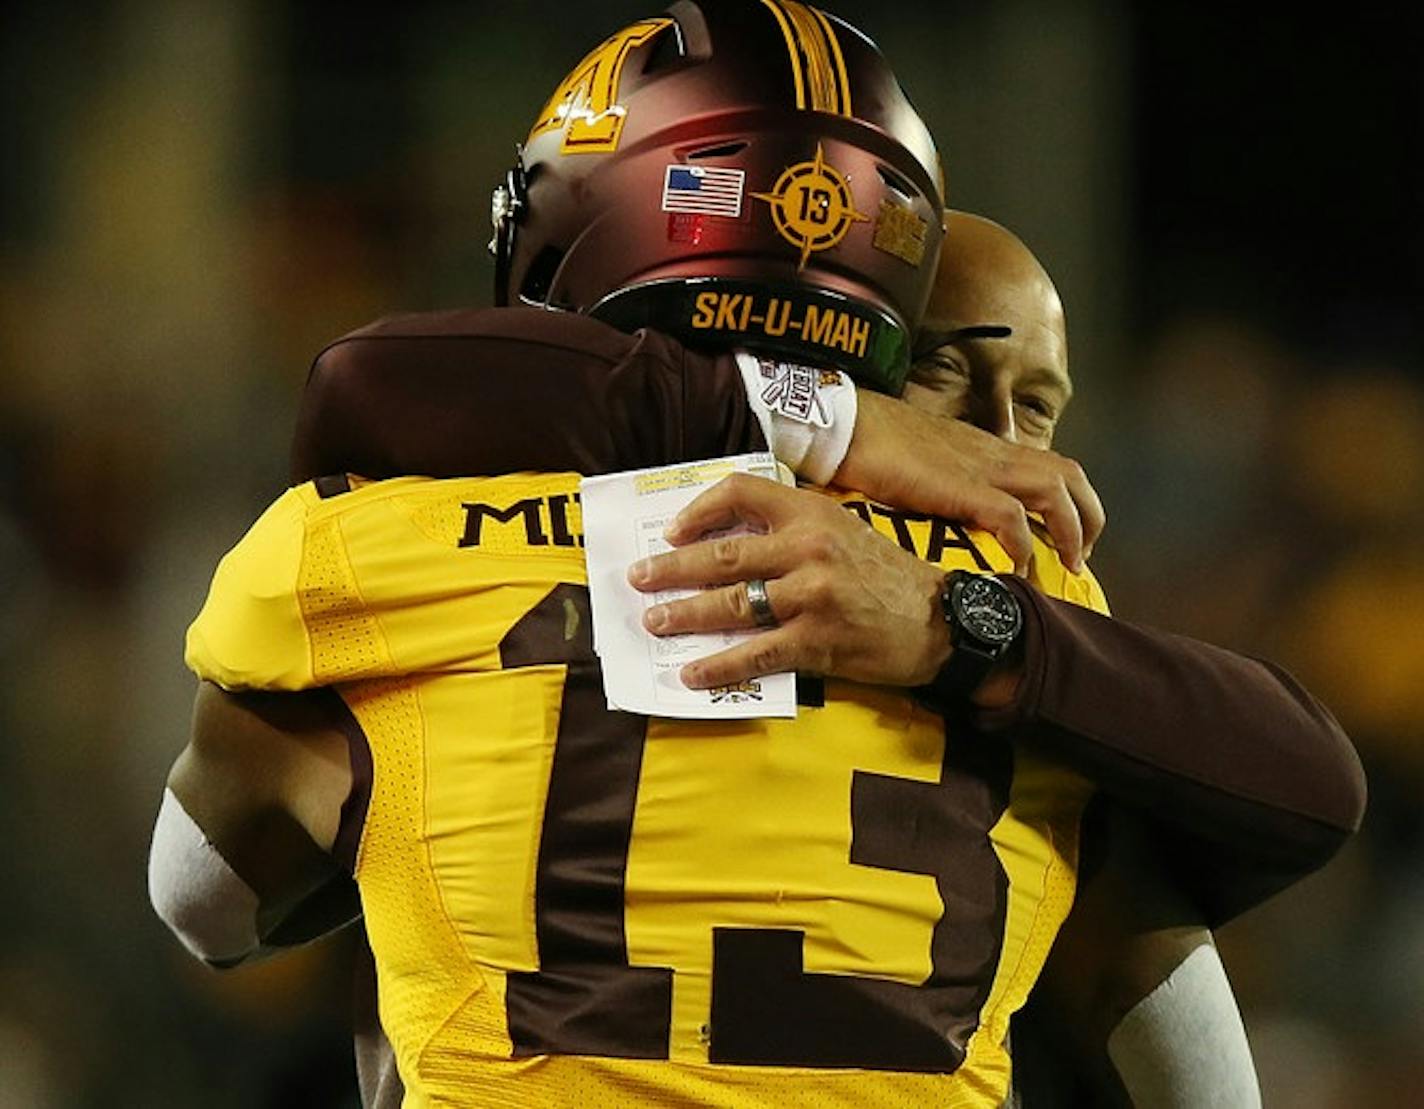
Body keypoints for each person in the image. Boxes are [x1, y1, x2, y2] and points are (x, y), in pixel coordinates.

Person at [150, 3, 1363, 1105]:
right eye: (950, 372)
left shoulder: (373, 532)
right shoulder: (1027, 599)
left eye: (1035, 405)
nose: (998, 449)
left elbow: (201, 903)